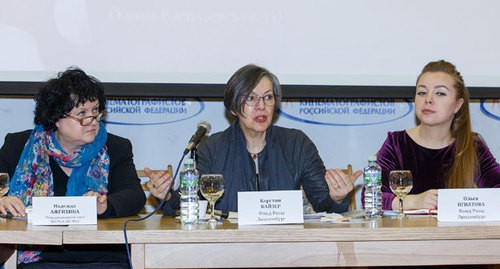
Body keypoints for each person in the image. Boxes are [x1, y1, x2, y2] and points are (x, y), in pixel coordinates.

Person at [148, 64, 362, 214]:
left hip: (286, 249)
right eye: (251, 98)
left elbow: (323, 204)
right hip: (228, 251)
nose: (261, 106)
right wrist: (166, 197)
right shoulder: (212, 148)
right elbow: (189, 205)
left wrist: (336, 197)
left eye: (268, 97)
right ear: (233, 107)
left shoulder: (297, 144)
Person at [0, 67, 146, 268]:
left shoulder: (116, 147)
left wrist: (105, 205)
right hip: (41, 259)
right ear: (56, 119)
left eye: (95, 112)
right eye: (82, 114)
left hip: (103, 258)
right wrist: (2, 199)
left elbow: (134, 195)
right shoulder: (19, 145)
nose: (92, 121)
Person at [375, 60, 500, 211]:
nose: (428, 99)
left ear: (457, 105)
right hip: (408, 234)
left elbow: (496, 191)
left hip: (457, 234)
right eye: (422, 92)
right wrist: (414, 202)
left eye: (440, 93)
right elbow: (372, 197)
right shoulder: (396, 143)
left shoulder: (472, 146)